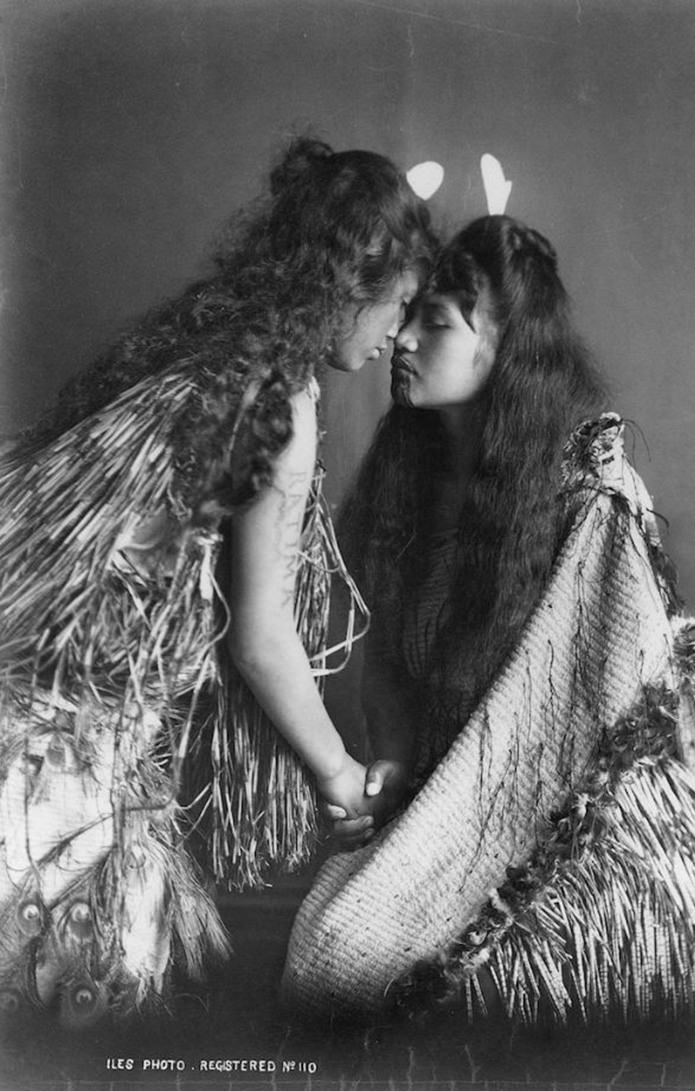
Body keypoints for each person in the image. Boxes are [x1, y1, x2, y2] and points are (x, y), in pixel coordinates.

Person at [0, 137, 434, 1028]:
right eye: (396, 305)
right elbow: (260, 634)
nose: (397, 331)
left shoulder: (211, 353)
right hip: (63, 752)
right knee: (76, 1001)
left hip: (34, 719)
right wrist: (343, 775)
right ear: (348, 286)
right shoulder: (283, 404)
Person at [282, 214, 695, 1027]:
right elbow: (388, 662)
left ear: (505, 348)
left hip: (574, 826)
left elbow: (592, 712)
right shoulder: (410, 476)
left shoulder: (590, 492)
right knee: (325, 947)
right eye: (406, 315)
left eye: (435, 322)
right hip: (445, 803)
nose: (400, 339)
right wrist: (393, 759)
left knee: (348, 957)